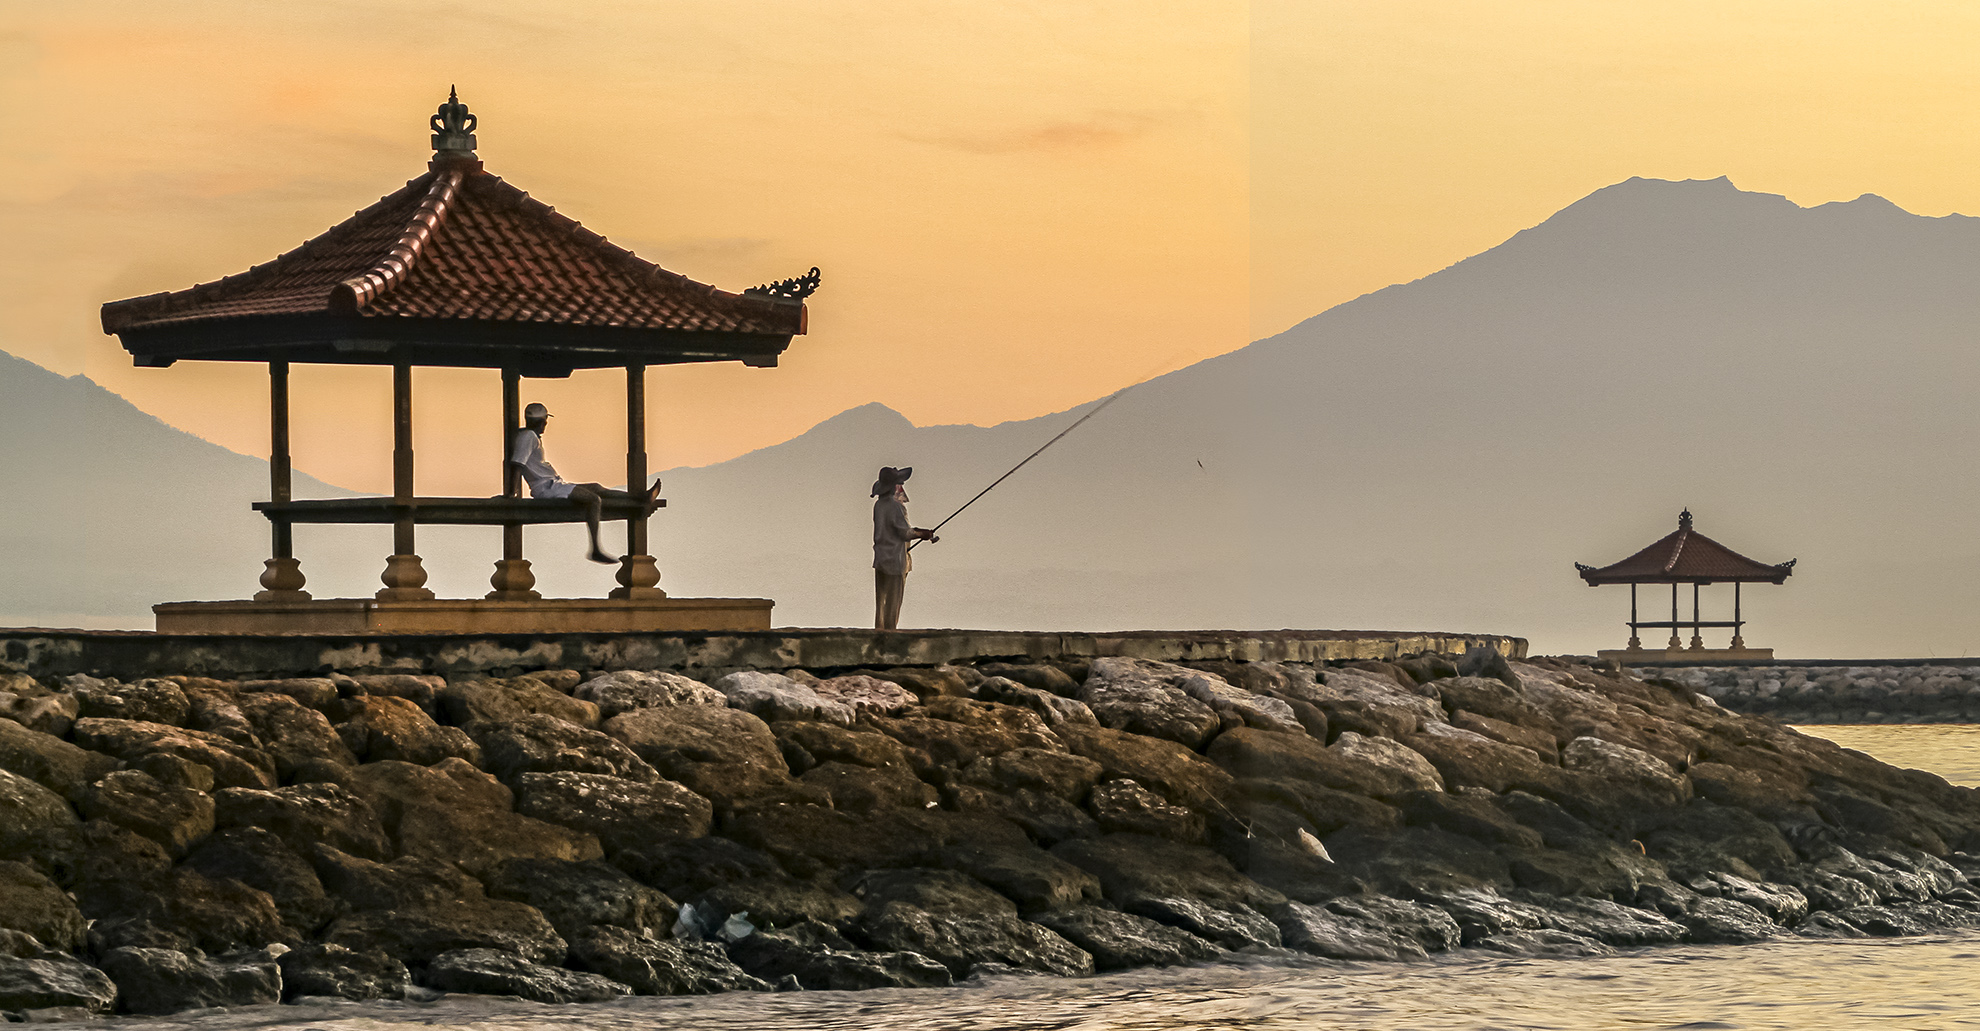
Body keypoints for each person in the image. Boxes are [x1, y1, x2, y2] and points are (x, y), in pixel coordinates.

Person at [509, 402, 663, 564]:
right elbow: (517, 464)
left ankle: (639, 497)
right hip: (547, 488)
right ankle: (595, 548)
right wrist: (512, 494)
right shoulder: (528, 438)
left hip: (554, 484)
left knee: (596, 488)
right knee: (593, 500)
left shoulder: (528, 436)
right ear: (541, 422)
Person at [871, 466, 936, 629]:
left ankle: (879, 634)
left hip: (881, 559)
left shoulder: (879, 505)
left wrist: (918, 531)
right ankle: (889, 635)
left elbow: (895, 529)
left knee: (881, 604)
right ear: (895, 486)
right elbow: (904, 533)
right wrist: (923, 534)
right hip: (895, 560)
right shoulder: (896, 506)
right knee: (892, 605)